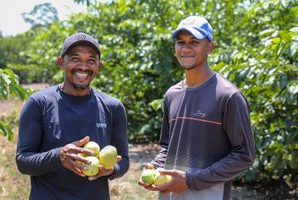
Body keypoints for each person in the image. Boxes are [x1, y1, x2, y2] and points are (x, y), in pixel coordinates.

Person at [138, 16, 255, 200]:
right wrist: (154, 166)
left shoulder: (228, 96)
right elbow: (168, 145)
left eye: (194, 42)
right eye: (180, 42)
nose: (186, 48)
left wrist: (191, 180)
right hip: (170, 195)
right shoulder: (172, 95)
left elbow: (244, 155)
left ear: (209, 47)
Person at [16, 32, 129, 200]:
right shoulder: (38, 103)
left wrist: (112, 169)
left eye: (91, 60)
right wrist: (59, 156)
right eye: (75, 59)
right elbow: (23, 161)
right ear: (61, 62)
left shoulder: (113, 107)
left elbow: (124, 160)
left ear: (99, 66)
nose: (83, 66)